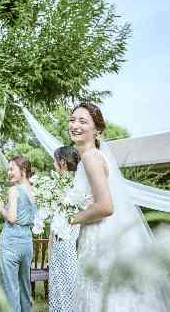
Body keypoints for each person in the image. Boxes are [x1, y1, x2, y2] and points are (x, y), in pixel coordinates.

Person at [69, 102, 169, 312]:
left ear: (97, 130)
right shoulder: (92, 157)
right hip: (98, 234)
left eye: (82, 121)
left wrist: (70, 218)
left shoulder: (90, 157)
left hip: (98, 236)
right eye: (72, 120)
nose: (75, 125)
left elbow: (105, 206)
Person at [0, 155, 37, 312]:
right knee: (24, 286)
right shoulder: (34, 191)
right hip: (27, 242)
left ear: (23, 170)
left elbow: (12, 218)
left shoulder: (13, 190)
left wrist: (0, 206)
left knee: (10, 288)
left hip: (11, 243)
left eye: (12, 168)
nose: (9, 172)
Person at [48, 146, 80, 312]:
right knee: (56, 287)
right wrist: (50, 248)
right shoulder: (57, 186)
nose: (53, 164)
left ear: (62, 163)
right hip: (57, 244)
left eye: (55, 160)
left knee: (69, 286)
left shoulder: (76, 187)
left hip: (68, 245)